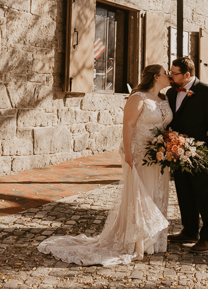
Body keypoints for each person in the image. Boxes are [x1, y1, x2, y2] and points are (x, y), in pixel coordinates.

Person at [38, 64, 175, 266]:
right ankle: (136, 242)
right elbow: (128, 125)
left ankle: (152, 242)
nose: (169, 76)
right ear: (156, 77)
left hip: (159, 155)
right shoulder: (138, 98)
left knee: (156, 193)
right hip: (139, 153)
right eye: (166, 74)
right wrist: (128, 153)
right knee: (140, 195)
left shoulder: (164, 99)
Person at [165, 56, 208, 255]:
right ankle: (189, 231)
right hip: (178, 153)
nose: (170, 76)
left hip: (203, 154)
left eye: (174, 74)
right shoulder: (171, 93)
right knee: (185, 193)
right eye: (170, 72)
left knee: (205, 197)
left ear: (187, 75)